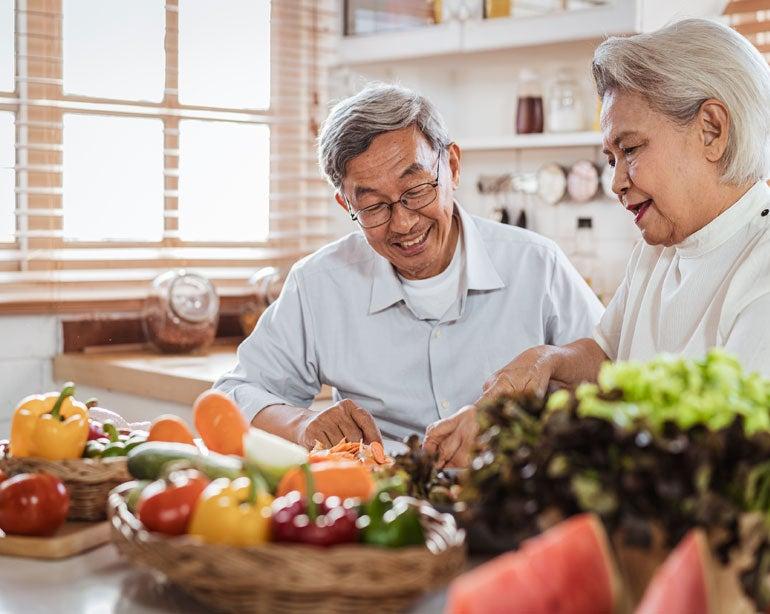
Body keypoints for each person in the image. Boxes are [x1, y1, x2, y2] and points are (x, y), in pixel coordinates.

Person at [426, 18, 770, 460]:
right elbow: (609, 361)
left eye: (630, 150)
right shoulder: (657, 249)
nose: (617, 182)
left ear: (712, 130)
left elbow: (724, 460)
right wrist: (547, 360)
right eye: (611, 158)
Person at [214, 83, 603, 466]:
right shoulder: (319, 284)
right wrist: (301, 424)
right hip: (380, 511)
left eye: (416, 190)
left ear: (451, 166)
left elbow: (613, 373)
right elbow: (233, 393)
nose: (402, 223)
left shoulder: (537, 265)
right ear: (345, 203)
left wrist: (545, 367)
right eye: (373, 206)